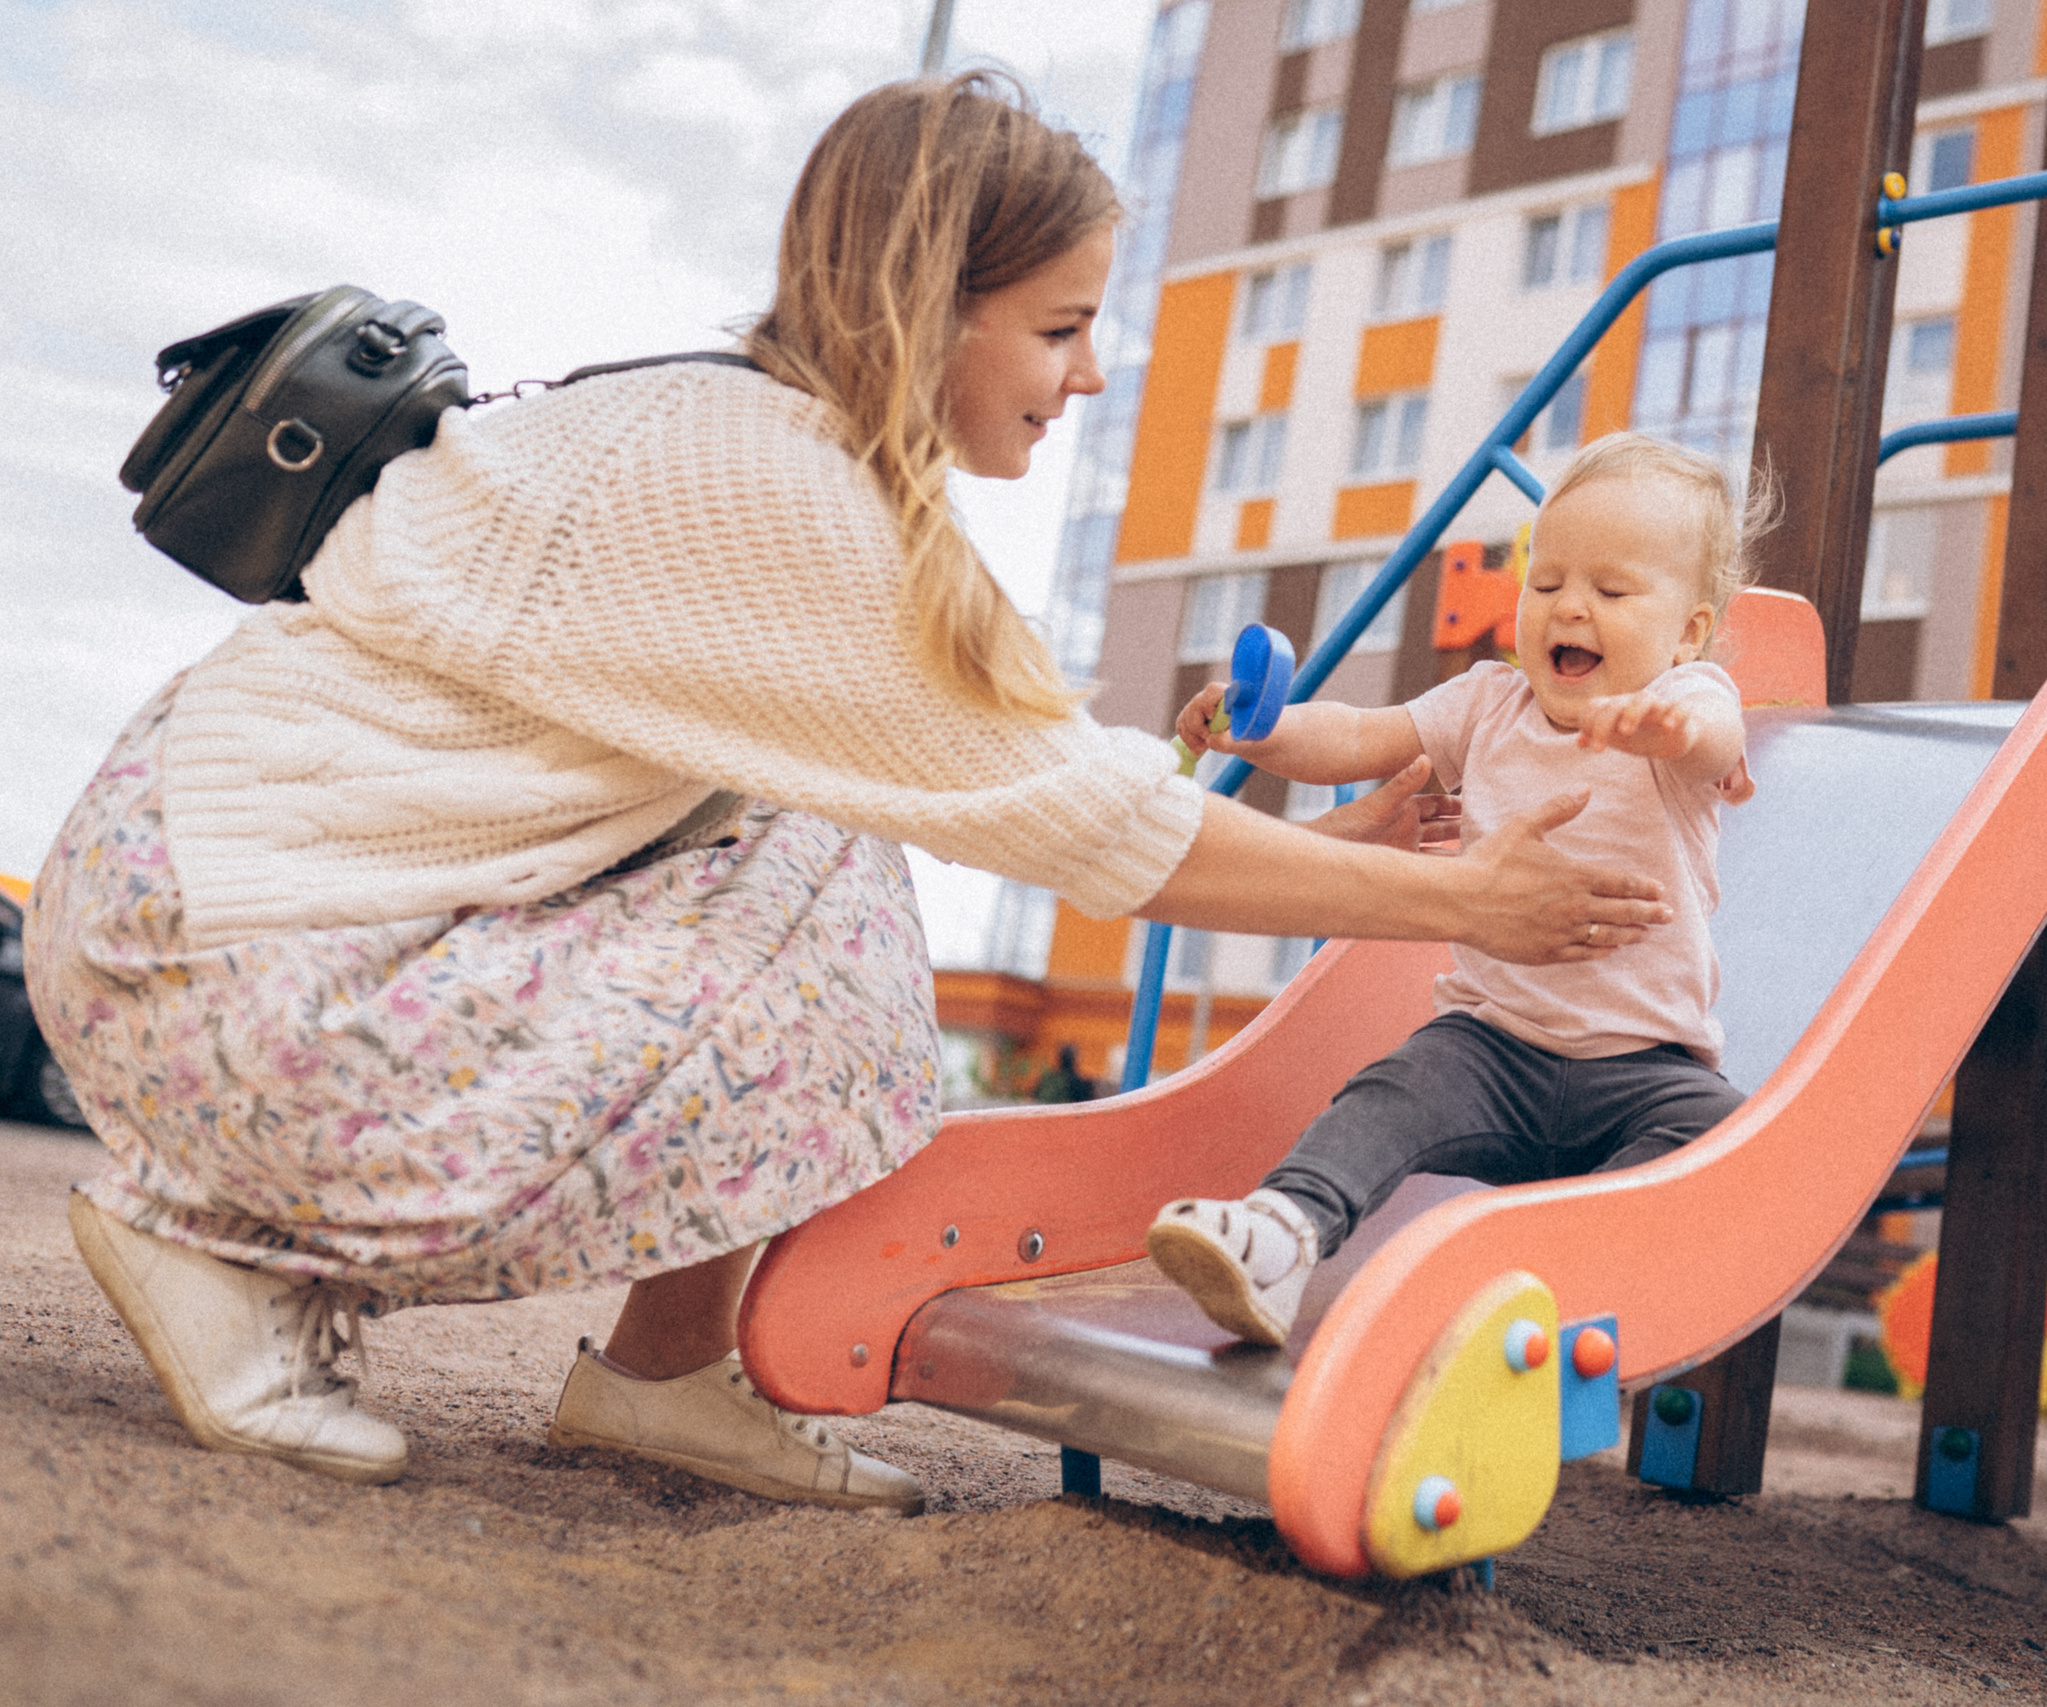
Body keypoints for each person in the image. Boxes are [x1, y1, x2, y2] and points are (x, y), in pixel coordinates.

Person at [23, 75, 1673, 1511]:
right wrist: (1459, 899)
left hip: (195, 906)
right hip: (219, 952)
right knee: (828, 907)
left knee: (810, 845)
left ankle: (662, 1375)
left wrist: (1346, 852)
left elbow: (1045, 783)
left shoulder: (744, 442)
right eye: (1057, 325)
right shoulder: (787, 495)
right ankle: (232, 1251)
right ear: (925, 306)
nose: (1089, 373)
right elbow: (1077, 821)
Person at [1146, 433, 1765, 1346]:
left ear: (1688, 630)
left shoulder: (1686, 707)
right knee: (1390, 1091)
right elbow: (1361, 735)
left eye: (1612, 590)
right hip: (1490, 1047)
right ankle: (1281, 1234)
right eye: (1546, 583)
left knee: (1722, 1134)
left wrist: (1671, 720)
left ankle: (1558, 1289)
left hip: (1645, 1068)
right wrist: (1265, 731)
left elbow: (1715, 731)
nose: (1570, 608)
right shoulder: (1486, 702)